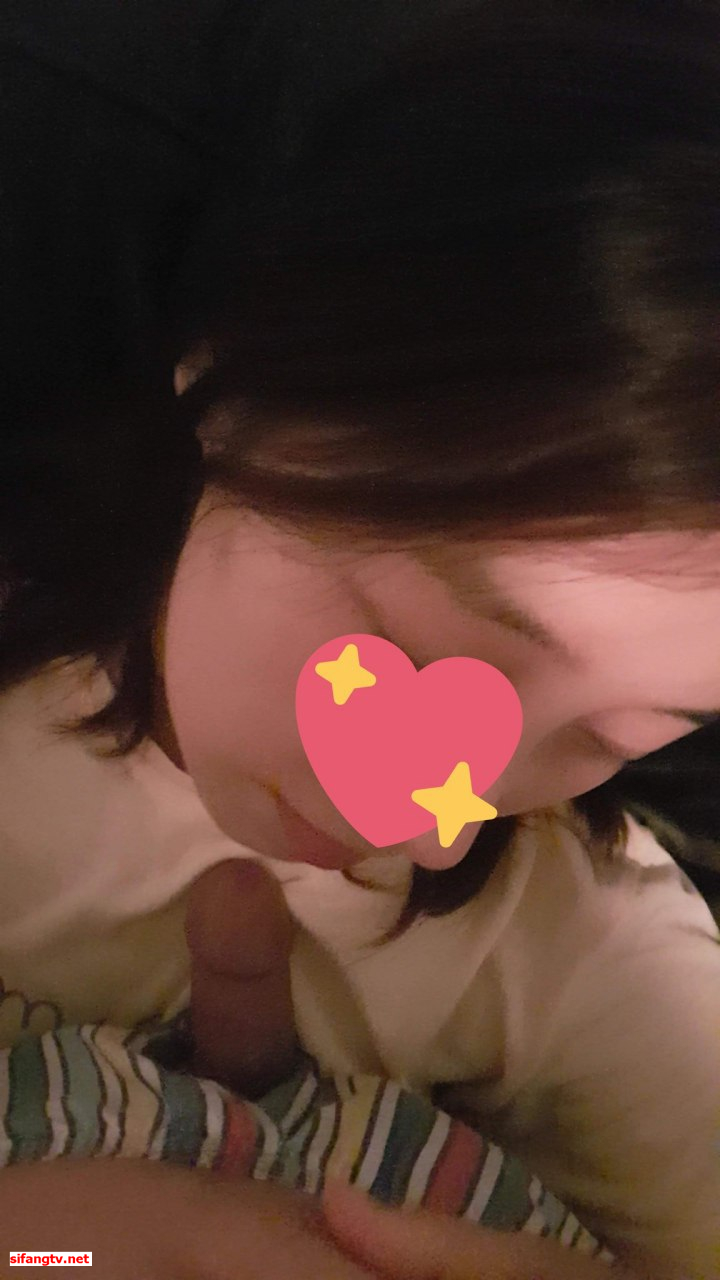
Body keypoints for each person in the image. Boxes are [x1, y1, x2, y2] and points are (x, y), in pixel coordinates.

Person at [0, 2, 719, 1278]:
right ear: (234, 368)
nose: (435, 831)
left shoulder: (570, 936)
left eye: (617, 732)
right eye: (413, 642)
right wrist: (50, 1245)